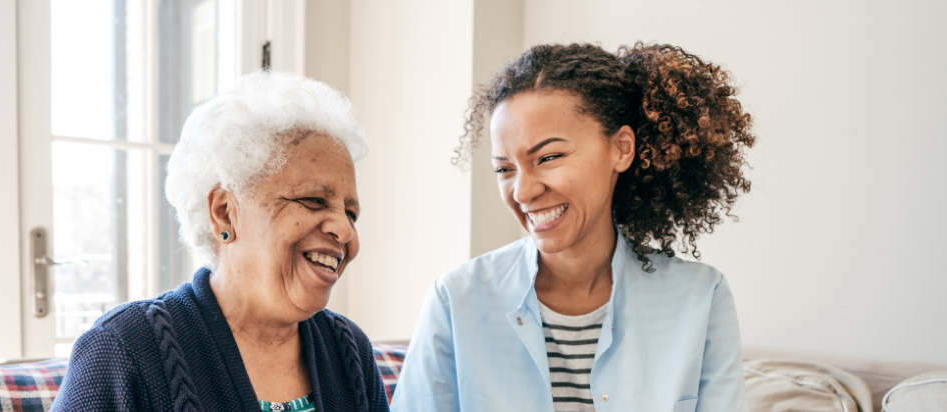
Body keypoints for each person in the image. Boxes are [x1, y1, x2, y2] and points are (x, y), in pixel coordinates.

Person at [392, 43, 757, 412]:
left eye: (548, 157)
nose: (522, 190)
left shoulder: (701, 298)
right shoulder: (455, 300)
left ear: (621, 149)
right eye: (504, 169)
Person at [52, 71, 389, 412]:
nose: (345, 232)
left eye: (350, 213)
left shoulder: (349, 352)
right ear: (225, 213)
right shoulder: (123, 349)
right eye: (314, 201)